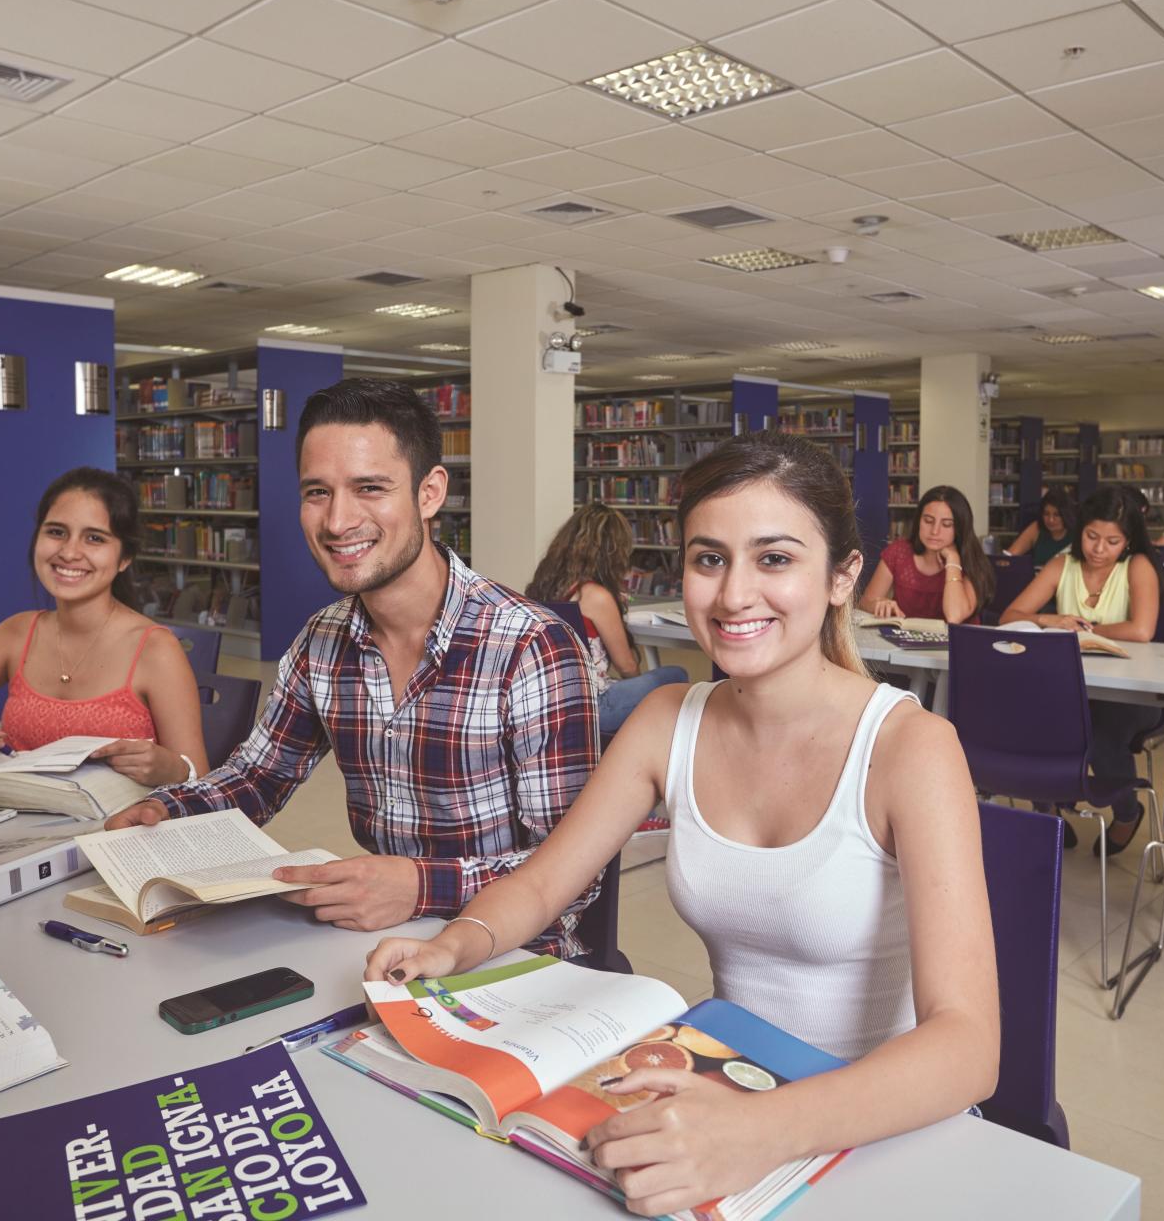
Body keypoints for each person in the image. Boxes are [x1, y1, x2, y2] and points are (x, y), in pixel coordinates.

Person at [362, 430, 998, 1217]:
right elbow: (545, 881)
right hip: (731, 1088)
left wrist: (762, 1131)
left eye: (774, 559)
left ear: (843, 577)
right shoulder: (669, 719)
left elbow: (969, 1046)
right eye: (708, 559)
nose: (733, 595)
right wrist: (454, 944)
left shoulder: (911, 748)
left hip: (883, 1132)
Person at [104, 380, 601, 955]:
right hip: (384, 936)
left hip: (516, 952)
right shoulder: (322, 640)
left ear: (429, 493)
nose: (338, 522)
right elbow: (259, 777)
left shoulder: (530, 647)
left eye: (370, 488)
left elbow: (574, 872)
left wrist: (419, 886)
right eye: (318, 492)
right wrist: (166, 809)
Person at [0, 468, 206, 785]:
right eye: (56, 532)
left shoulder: (155, 650)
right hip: (16, 827)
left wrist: (169, 768)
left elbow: (202, 781)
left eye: (95, 539)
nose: (70, 552)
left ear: (125, 558)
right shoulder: (16, 634)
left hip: (118, 836)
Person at [998, 486, 1164, 856]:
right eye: (1091, 536)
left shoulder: (1137, 567)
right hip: (1070, 687)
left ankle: (1125, 811)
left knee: (1100, 735)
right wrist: (1051, 619)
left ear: (1128, 541)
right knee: (1036, 727)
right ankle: (1050, 810)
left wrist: (1086, 629)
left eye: (1112, 541)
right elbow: (1011, 615)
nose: (1099, 549)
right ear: (1080, 531)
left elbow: (1141, 630)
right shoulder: (1062, 564)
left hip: (1131, 691)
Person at [525, 502, 687, 735]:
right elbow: (626, 666)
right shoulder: (595, 596)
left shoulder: (544, 588)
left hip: (550, 703)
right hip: (592, 707)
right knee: (676, 675)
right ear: (611, 552)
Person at [859, 485, 994, 623]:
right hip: (905, 642)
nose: (935, 531)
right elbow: (864, 603)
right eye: (928, 521)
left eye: (946, 524)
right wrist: (878, 605)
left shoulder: (972, 561)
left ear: (960, 528)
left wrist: (953, 560)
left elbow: (954, 616)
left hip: (958, 643)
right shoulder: (899, 552)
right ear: (918, 521)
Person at [1003, 489, 1074, 564]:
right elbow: (1009, 556)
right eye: (1046, 514)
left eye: (1056, 515)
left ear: (1066, 515)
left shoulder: (1078, 533)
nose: (1051, 520)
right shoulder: (1036, 528)